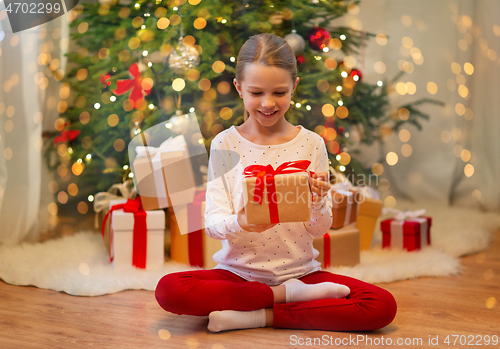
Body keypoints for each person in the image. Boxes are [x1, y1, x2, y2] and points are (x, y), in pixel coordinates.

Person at [155, 33, 397, 332]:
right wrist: (241, 221)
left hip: (302, 275)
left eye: (279, 92)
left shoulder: (312, 144)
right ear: (239, 88)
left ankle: (258, 316)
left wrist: (319, 200)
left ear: (294, 87)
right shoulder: (225, 143)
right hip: (238, 276)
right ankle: (282, 298)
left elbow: (320, 228)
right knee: (169, 289)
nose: (268, 103)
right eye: (256, 93)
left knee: (380, 305)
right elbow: (214, 224)